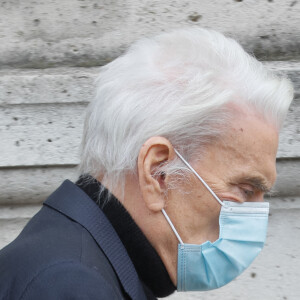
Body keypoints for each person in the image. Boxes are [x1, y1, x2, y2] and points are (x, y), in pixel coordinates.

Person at [0, 28, 294, 299]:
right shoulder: (71, 285)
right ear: (158, 172)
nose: (257, 217)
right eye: (244, 190)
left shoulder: (88, 266)